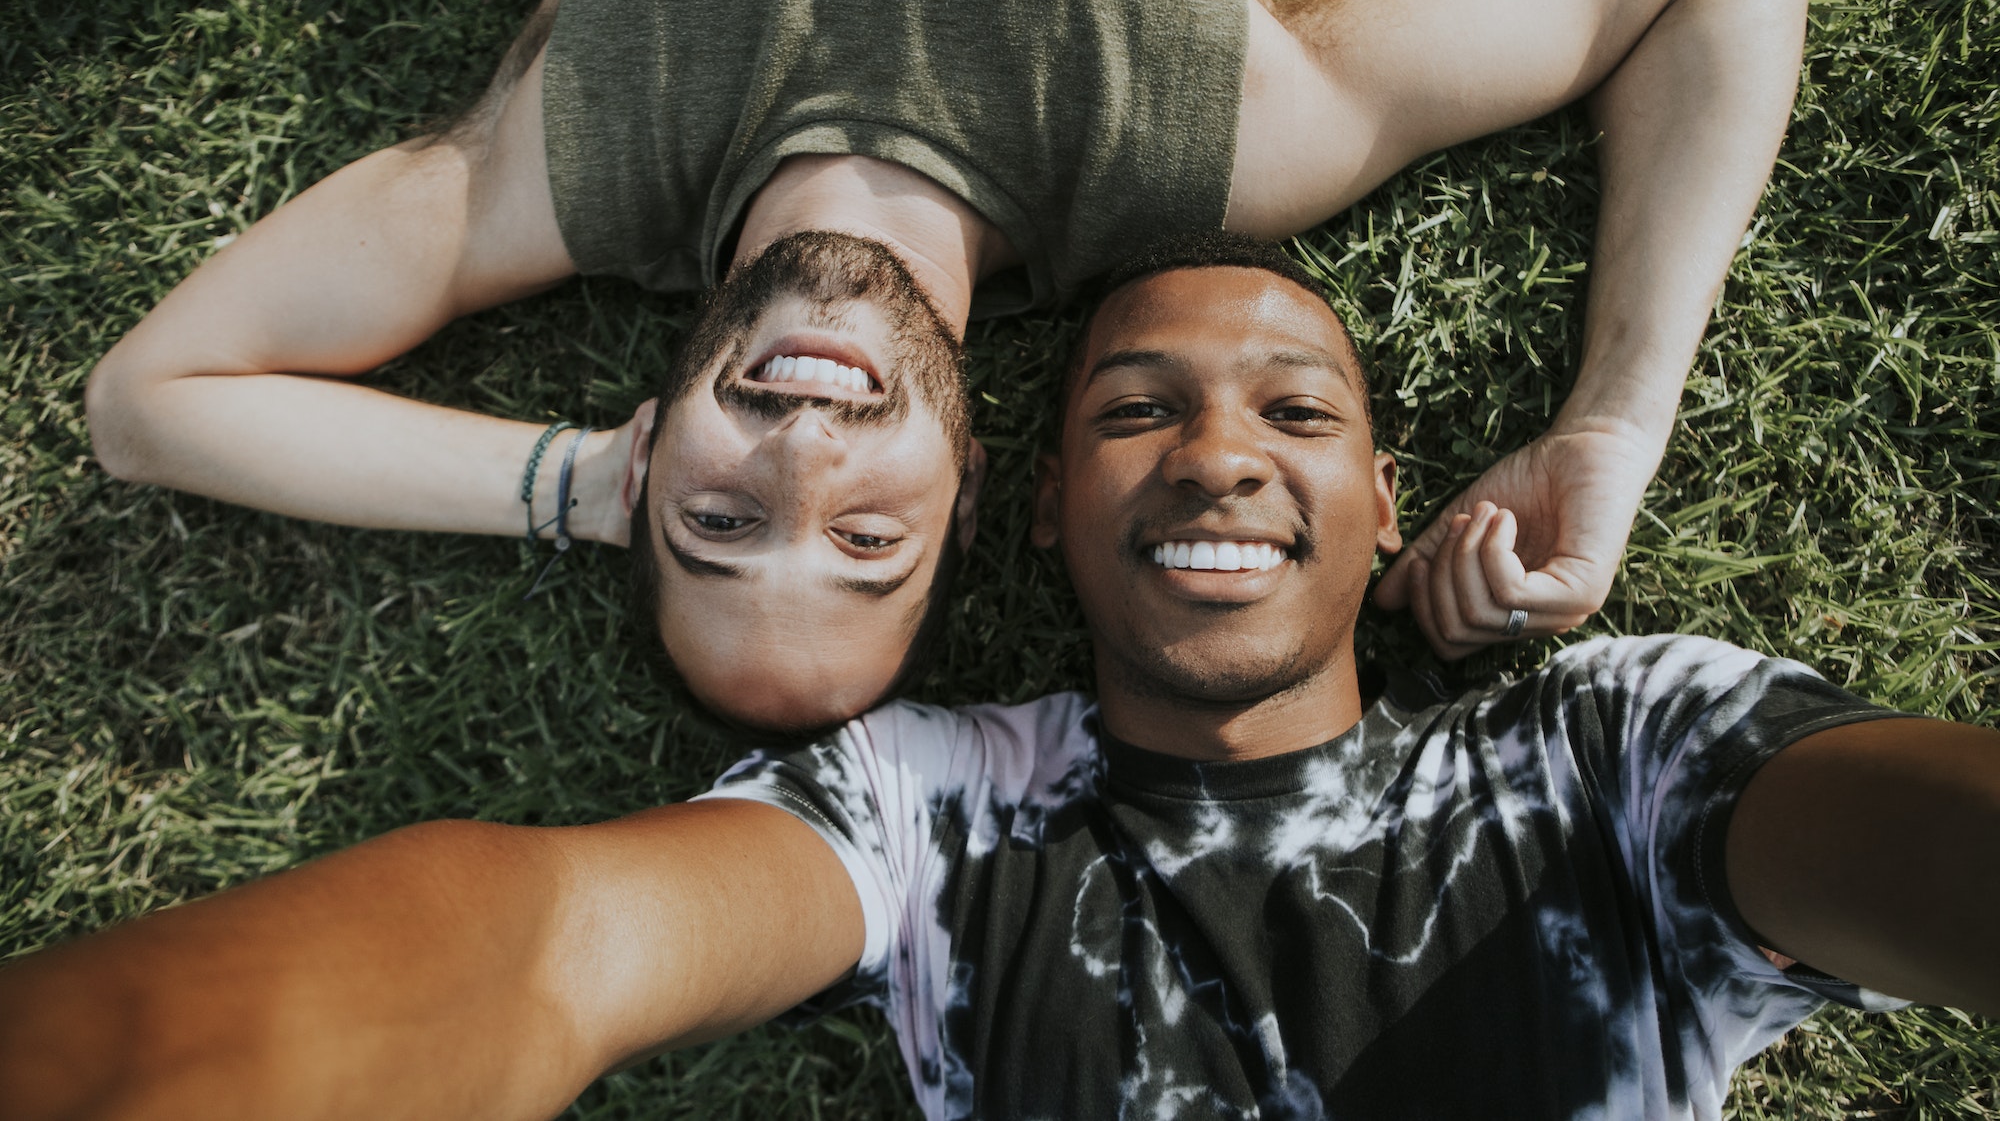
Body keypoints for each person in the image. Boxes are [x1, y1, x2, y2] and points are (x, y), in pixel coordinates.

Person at [13, 242, 1995, 1119]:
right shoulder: (930, 807)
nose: (1218, 451)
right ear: (1036, 513)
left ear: (1383, 497)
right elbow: (543, 951)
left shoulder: (1609, 751)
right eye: (1136, 410)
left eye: (1293, 411)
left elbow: (1918, 842)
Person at [83, 0, 1826, 731]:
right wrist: (1609, 432)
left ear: (653, 442)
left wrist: (579, 487)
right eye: (865, 535)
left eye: (717, 516)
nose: (801, 454)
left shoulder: (564, 168)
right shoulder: (1223, 138)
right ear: (974, 479)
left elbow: (148, 399)